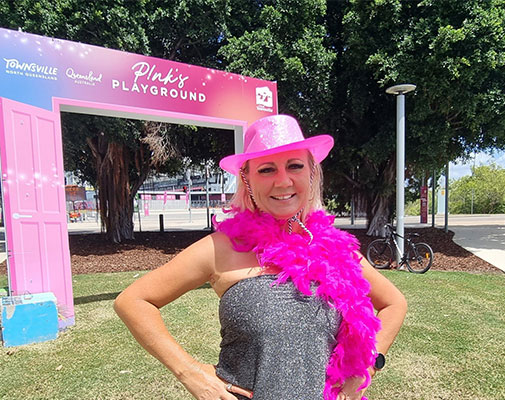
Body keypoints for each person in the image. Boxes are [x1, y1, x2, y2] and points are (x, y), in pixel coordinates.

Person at [114, 114, 407, 400]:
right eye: (267, 169)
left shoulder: (338, 250)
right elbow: (133, 301)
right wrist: (190, 373)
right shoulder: (221, 248)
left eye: (295, 166)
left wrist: (368, 363)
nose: (283, 182)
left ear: (311, 172)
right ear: (247, 178)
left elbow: (394, 303)